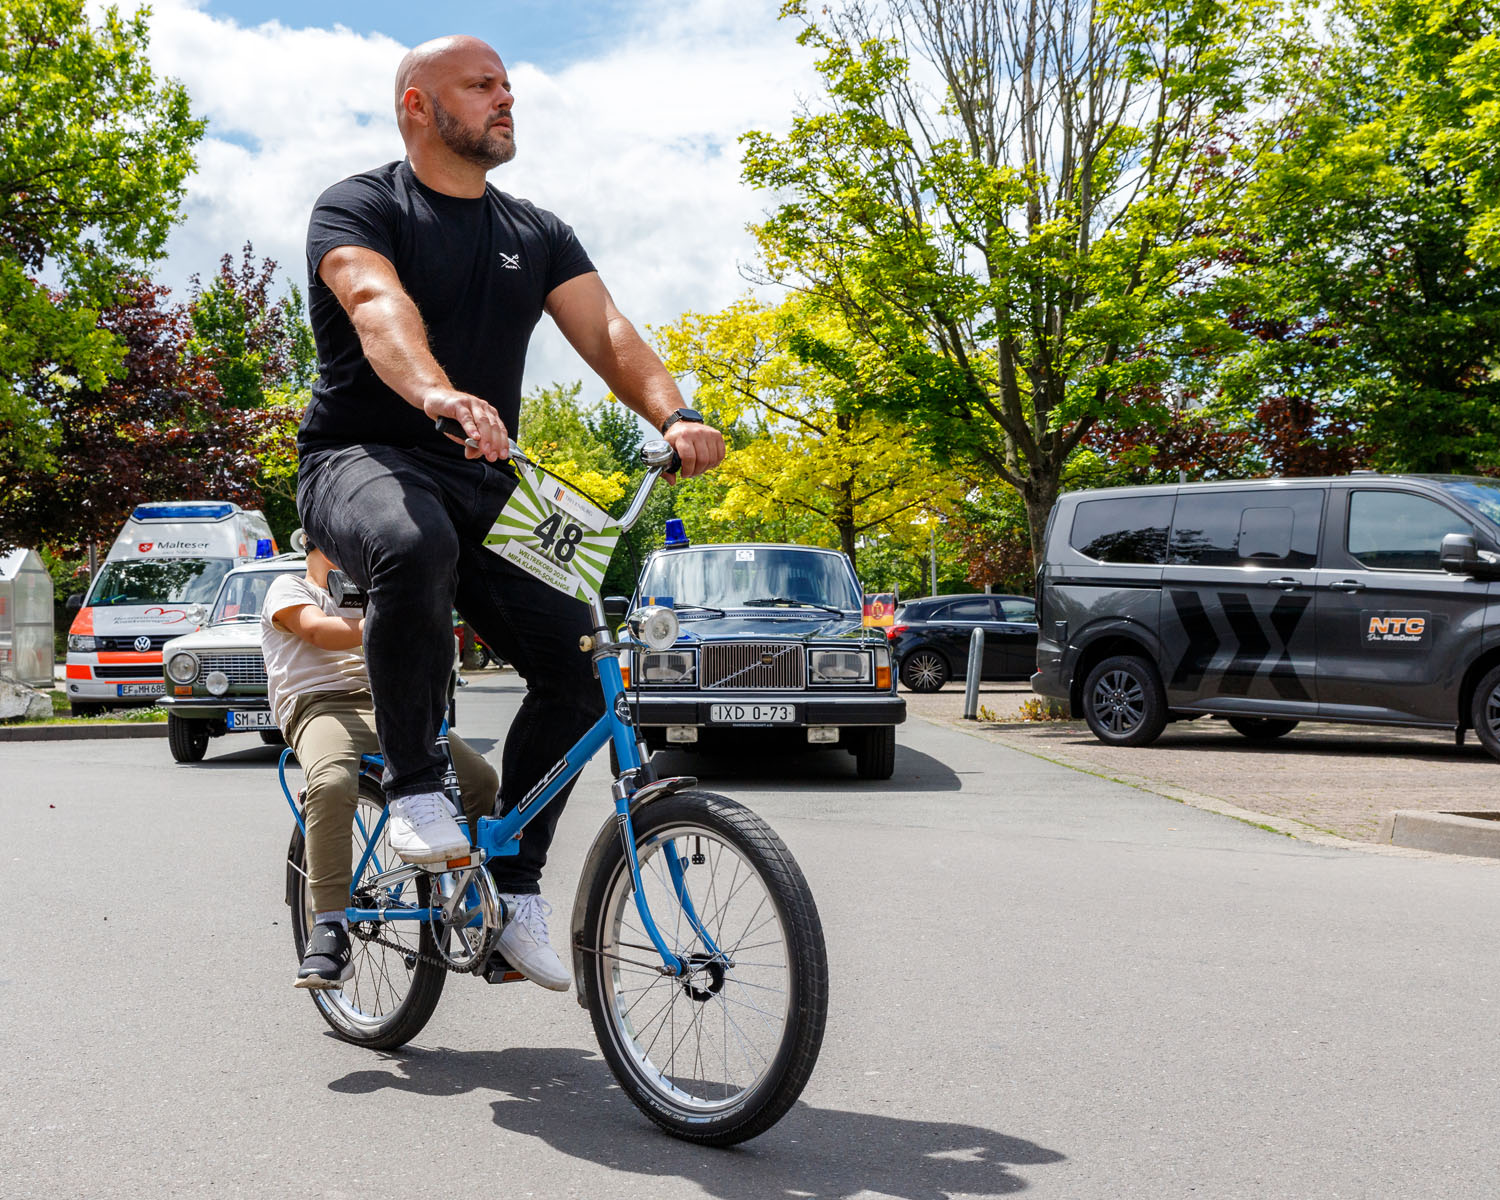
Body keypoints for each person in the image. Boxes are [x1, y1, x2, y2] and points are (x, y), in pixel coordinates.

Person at [296, 35, 725, 991]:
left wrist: (676, 412)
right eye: (481, 86)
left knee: (580, 667)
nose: (505, 98)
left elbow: (607, 329)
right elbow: (375, 305)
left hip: (485, 479)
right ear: (418, 105)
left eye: (508, 86)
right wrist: (438, 394)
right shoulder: (360, 205)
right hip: (362, 460)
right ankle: (412, 787)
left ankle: (512, 888)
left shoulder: (536, 232)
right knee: (413, 540)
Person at [261, 542, 500, 989]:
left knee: (480, 781)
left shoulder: (375, 590)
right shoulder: (289, 587)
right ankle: (329, 927)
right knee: (332, 785)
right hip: (320, 706)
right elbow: (316, 630)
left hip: (389, 703)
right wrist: (385, 616)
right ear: (319, 543)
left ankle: (470, 905)